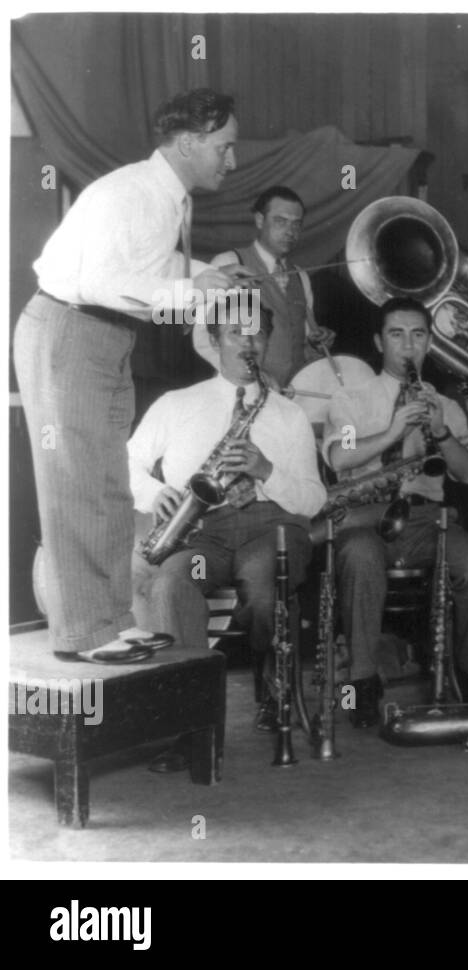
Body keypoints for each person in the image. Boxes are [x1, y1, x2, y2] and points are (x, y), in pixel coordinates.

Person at [13, 87, 249, 662]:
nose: (232, 159)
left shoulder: (164, 196)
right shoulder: (136, 194)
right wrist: (191, 290)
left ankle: (108, 621)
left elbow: (146, 267)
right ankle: (89, 633)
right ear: (188, 142)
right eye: (224, 146)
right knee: (80, 483)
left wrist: (207, 275)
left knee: (106, 481)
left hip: (103, 333)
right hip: (73, 328)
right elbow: (101, 281)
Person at [130, 301, 326, 754]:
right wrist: (153, 492)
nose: (248, 343)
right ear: (215, 340)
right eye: (236, 332)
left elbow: (314, 499)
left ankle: (272, 678)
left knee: (263, 591)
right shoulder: (178, 404)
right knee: (172, 586)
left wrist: (265, 470)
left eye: (257, 334)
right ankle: (191, 720)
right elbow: (127, 462)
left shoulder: (288, 415)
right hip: (202, 533)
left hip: (271, 529)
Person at [322, 297, 468, 727]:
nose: (408, 346)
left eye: (418, 335)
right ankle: (362, 682)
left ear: (429, 343)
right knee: (359, 557)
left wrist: (441, 431)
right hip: (365, 517)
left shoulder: (445, 404)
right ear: (378, 341)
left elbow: (467, 473)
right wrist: (393, 431)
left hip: (426, 519)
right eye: (397, 335)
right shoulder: (351, 398)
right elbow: (340, 457)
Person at [191, 185, 335, 386]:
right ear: (260, 220)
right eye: (280, 221)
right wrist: (250, 375)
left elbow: (302, 343)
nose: (290, 231)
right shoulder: (229, 263)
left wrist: (315, 344)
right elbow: (203, 339)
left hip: (293, 395)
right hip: (243, 390)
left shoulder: (301, 276)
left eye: (296, 224)